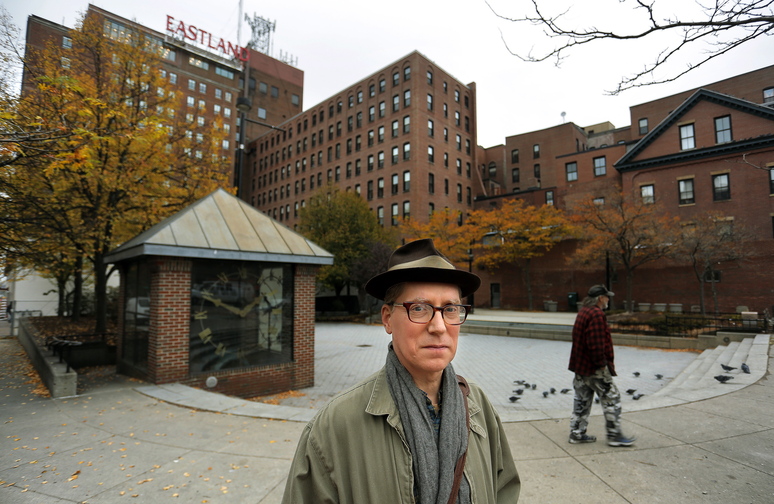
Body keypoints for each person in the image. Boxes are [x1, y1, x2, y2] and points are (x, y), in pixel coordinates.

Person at [282, 239, 520, 503]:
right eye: (419, 308)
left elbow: (504, 490)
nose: (439, 326)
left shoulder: (479, 408)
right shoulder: (336, 425)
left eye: (450, 309)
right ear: (387, 318)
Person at [568, 284, 635, 447]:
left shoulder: (583, 312)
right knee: (612, 398)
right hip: (594, 369)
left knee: (582, 400)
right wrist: (602, 366)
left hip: (580, 367)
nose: (608, 300)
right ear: (600, 298)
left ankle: (576, 433)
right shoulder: (597, 314)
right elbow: (596, 344)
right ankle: (614, 436)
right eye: (606, 297)